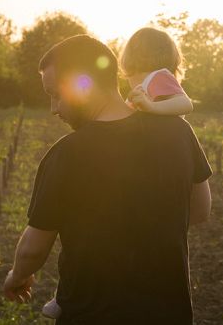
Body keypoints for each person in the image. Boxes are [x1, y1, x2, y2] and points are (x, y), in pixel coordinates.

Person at [2, 34, 212, 324]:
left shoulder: (66, 155)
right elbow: (200, 209)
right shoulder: (178, 132)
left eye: (55, 94)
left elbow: (33, 248)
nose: (54, 108)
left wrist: (17, 275)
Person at [41, 26, 194, 319]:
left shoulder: (159, 79)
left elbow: (185, 103)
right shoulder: (144, 90)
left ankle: (68, 296)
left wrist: (149, 107)